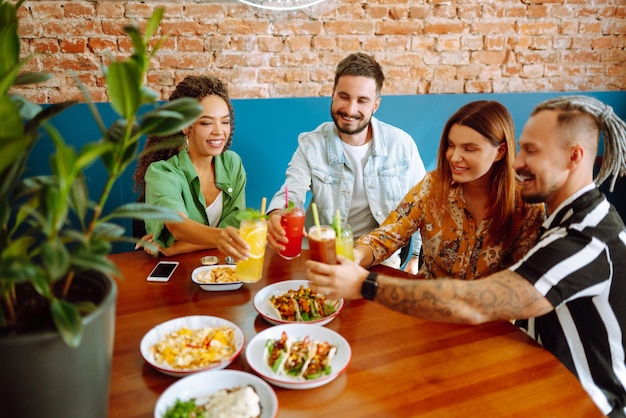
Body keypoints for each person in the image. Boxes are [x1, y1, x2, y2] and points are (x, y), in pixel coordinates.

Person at [306, 95, 626, 417]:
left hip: (583, 400)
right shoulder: (566, 221)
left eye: (531, 151)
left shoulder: (580, 238)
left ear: (574, 157)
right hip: (529, 364)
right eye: (451, 145)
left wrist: (366, 285)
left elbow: (478, 303)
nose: (517, 162)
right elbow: (390, 233)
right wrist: (355, 260)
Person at [265, 52, 426, 268]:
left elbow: (423, 205)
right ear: (332, 94)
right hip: (323, 256)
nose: (350, 110)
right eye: (344, 96)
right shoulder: (311, 144)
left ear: (375, 105)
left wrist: (416, 257)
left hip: (379, 260)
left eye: (362, 100)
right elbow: (291, 191)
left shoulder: (401, 145)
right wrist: (276, 213)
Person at [355, 100, 546, 279]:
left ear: (500, 151)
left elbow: (523, 280)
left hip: (490, 313)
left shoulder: (526, 204)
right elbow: (388, 235)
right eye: (451, 145)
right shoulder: (433, 185)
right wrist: (354, 256)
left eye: (469, 149)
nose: (454, 157)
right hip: (424, 305)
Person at [133, 75, 249, 257]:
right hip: (178, 274)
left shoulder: (232, 163)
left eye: (225, 121)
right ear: (186, 127)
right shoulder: (162, 172)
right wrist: (228, 237)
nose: (219, 131)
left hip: (222, 270)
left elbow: (235, 225)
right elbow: (177, 226)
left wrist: (179, 247)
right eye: (206, 122)